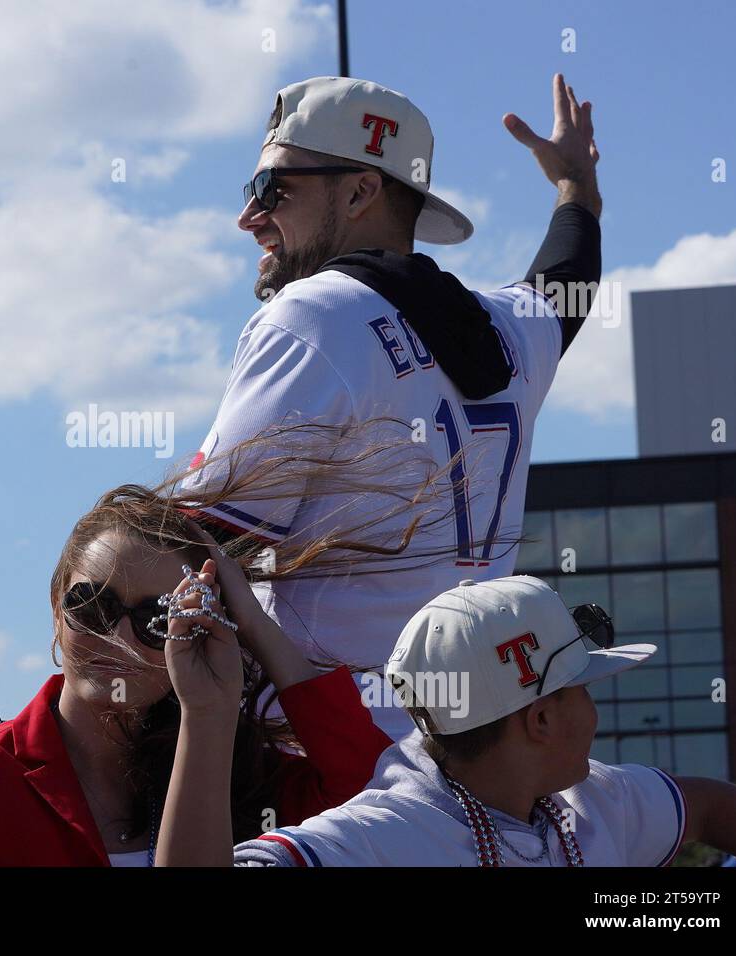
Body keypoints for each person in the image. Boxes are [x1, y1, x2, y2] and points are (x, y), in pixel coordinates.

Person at [180, 73, 604, 738]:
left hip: (325, 761)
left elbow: (194, 550)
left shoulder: (315, 314)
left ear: (358, 191)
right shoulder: (510, 329)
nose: (249, 216)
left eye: (272, 188)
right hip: (471, 749)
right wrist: (578, 188)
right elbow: (568, 278)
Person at [0, 424, 440, 865]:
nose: (114, 637)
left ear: (198, 633)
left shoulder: (243, 781)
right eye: (92, 605)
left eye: (156, 618)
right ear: (54, 606)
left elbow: (377, 797)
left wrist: (252, 622)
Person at [154, 576, 736, 867]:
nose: (594, 710)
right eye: (581, 687)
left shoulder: (587, 800)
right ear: (542, 718)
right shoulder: (379, 836)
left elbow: (711, 807)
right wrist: (205, 715)